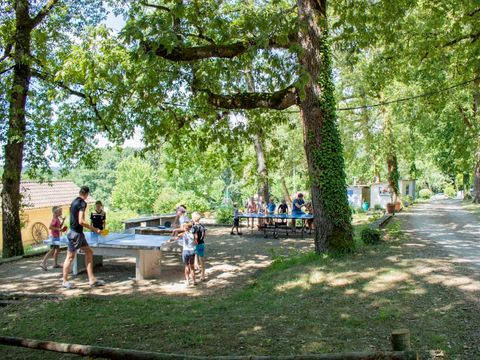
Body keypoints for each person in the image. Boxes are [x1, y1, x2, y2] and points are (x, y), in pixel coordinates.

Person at [62, 186, 104, 289]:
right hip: (75, 234)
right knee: (70, 257)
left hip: (77, 233)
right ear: (86, 193)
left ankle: (92, 280)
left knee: (89, 252)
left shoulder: (74, 201)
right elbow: (81, 221)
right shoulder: (82, 203)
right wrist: (94, 229)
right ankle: (64, 281)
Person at [40, 206, 66, 271]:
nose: (61, 212)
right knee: (52, 250)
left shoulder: (57, 219)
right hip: (54, 237)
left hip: (57, 237)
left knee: (57, 250)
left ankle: (55, 264)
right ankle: (43, 263)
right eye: (60, 211)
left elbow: (59, 226)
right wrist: (59, 229)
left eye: (61, 211)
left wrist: (62, 222)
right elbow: (50, 227)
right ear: (55, 213)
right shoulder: (54, 219)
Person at [173, 222, 196, 287]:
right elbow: (195, 242)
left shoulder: (182, 234)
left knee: (186, 266)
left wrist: (175, 234)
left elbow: (175, 238)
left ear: (184, 228)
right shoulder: (192, 234)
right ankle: (194, 281)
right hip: (192, 251)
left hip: (185, 251)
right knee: (192, 266)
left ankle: (187, 281)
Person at [191, 212, 206, 282]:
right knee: (201, 258)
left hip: (196, 243)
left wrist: (195, 242)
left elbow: (195, 236)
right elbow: (204, 235)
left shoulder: (194, 227)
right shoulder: (202, 226)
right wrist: (201, 240)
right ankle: (202, 274)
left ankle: (197, 273)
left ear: (193, 219)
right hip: (202, 243)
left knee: (196, 256)